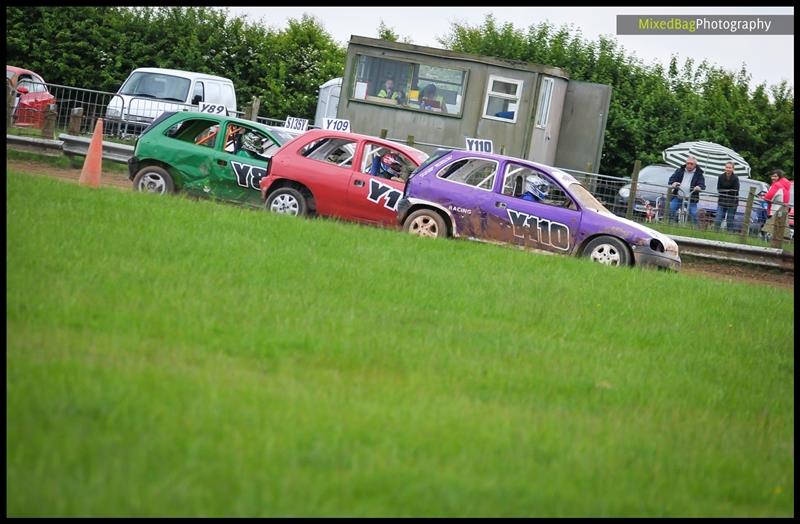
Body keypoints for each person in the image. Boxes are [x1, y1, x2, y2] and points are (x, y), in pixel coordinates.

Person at [667, 155, 705, 225]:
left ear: (695, 165)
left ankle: (695, 229)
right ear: (686, 163)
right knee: (671, 209)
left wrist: (698, 187)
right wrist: (674, 183)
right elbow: (671, 180)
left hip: (691, 198)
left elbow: (702, 185)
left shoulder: (699, 174)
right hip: (678, 196)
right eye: (688, 163)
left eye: (691, 164)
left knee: (694, 214)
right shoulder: (679, 170)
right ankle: (669, 224)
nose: (689, 165)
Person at [761, 168, 792, 239]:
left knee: (768, 231)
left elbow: (768, 197)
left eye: (775, 176)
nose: (773, 178)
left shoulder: (776, 185)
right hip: (782, 212)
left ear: (779, 177)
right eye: (772, 176)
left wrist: (763, 197)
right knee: (778, 232)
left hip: (774, 212)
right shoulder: (785, 187)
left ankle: (766, 244)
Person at [714, 161, 740, 231]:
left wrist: (725, 191)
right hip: (722, 201)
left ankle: (729, 234)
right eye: (727, 167)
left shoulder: (735, 178)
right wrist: (729, 190)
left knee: (730, 220)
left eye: (730, 168)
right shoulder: (721, 177)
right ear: (725, 168)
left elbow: (735, 191)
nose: (728, 169)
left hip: (732, 202)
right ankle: (715, 232)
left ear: (733, 169)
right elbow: (719, 189)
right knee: (718, 218)